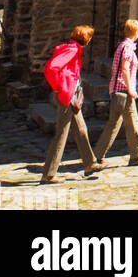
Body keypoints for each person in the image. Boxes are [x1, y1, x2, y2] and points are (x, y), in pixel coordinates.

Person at [40, 24, 102, 184]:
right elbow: (52, 68)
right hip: (66, 97)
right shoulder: (72, 50)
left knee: (81, 129)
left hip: (71, 97)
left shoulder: (73, 49)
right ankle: (49, 174)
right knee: (61, 135)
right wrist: (61, 86)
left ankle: (90, 164)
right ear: (85, 38)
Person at [94, 18, 138, 168]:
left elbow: (127, 65)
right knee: (133, 124)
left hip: (116, 91)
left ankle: (98, 155)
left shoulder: (122, 46)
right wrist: (131, 89)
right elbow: (124, 68)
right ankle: (136, 155)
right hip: (124, 92)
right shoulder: (129, 47)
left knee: (113, 125)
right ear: (136, 33)